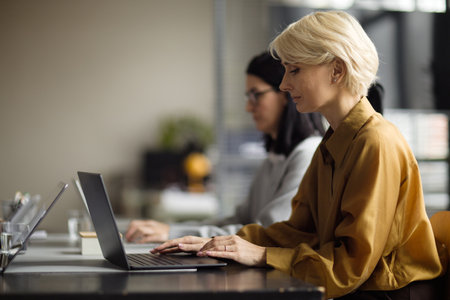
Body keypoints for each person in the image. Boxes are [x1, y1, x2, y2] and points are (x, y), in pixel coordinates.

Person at [151, 11, 446, 299]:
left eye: (295, 70)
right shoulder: (331, 144)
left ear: (337, 70)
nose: (283, 85)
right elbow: (300, 232)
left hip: (390, 293)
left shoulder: (376, 142)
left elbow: (348, 269)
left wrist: (263, 254)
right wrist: (223, 244)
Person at [125, 52, 325, 243]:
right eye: (248, 97)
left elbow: (267, 231)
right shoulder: (274, 159)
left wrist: (174, 234)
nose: (248, 107)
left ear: (285, 93)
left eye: (256, 95)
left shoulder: (307, 154)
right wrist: (172, 231)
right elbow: (240, 220)